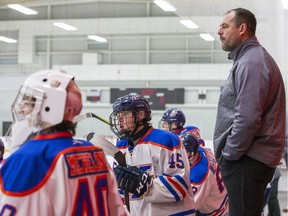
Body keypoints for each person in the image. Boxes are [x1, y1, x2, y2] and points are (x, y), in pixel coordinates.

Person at [0, 70, 129, 216]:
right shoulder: (95, 152)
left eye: (30, 103)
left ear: (50, 106)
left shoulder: (28, 159)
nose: (23, 110)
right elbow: (118, 212)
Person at [213, 8, 286, 216]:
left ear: (242, 28)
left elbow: (247, 119)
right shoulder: (249, 59)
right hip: (248, 159)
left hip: (246, 159)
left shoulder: (251, 62)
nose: (219, 31)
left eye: (225, 26)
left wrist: (229, 155)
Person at [109, 93, 196, 216]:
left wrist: (146, 185)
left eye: (125, 114)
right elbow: (122, 195)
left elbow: (180, 186)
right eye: (118, 115)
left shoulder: (166, 140)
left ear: (140, 115)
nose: (120, 120)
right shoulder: (120, 147)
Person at [179, 132, 229, 215]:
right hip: (222, 197)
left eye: (183, 152)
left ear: (191, 154)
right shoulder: (203, 150)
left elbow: (188, 207)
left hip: (217, 211)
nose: (180, 155)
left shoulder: (199, 176)